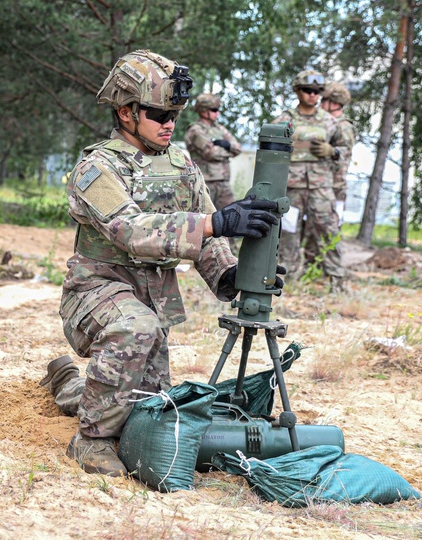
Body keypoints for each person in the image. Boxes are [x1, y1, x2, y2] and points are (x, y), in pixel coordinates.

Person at [37, 50, 281, 477]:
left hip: (148, 299)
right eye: (158, 113)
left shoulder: (180, 164)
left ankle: (66, 381)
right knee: (136, 331)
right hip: (96, 294)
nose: (169, 123)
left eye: (175, 114)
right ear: (126, 112)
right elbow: (129, 230)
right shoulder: (95, 168)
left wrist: (233, 276)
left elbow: (208, 237)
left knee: (143, 405)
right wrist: (214, 221)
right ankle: (90, 442)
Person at [271, 70, 349, 292]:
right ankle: (287, 283)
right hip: (292, 189)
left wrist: (332, 151)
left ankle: (337, 281)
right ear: (297, 91)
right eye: (307, 90)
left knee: (329, 231)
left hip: (321, 188)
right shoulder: (283, 120)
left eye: (317, 91)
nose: (312, 95)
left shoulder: (331, 123)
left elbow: (345, 150)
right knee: (288, 234)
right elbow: (269, 149)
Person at [184, 93, 242, 210]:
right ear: (204, 111)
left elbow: (238, 148)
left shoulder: (219, 128)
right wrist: (229, 150)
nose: (217, 113)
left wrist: (228, 145)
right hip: (205, 183)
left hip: (223, 182)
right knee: (205, 217)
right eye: (214, 110)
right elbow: (210, 153)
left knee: (232, 215)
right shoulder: (196, 130)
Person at [320, 82, 356, 215]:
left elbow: (343, 154)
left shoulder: (343, 126)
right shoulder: (327, 124)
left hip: (334, 189)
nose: (320, 104)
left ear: (334, 103)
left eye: (323, 100)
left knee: (330, 233)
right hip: (321, 189)